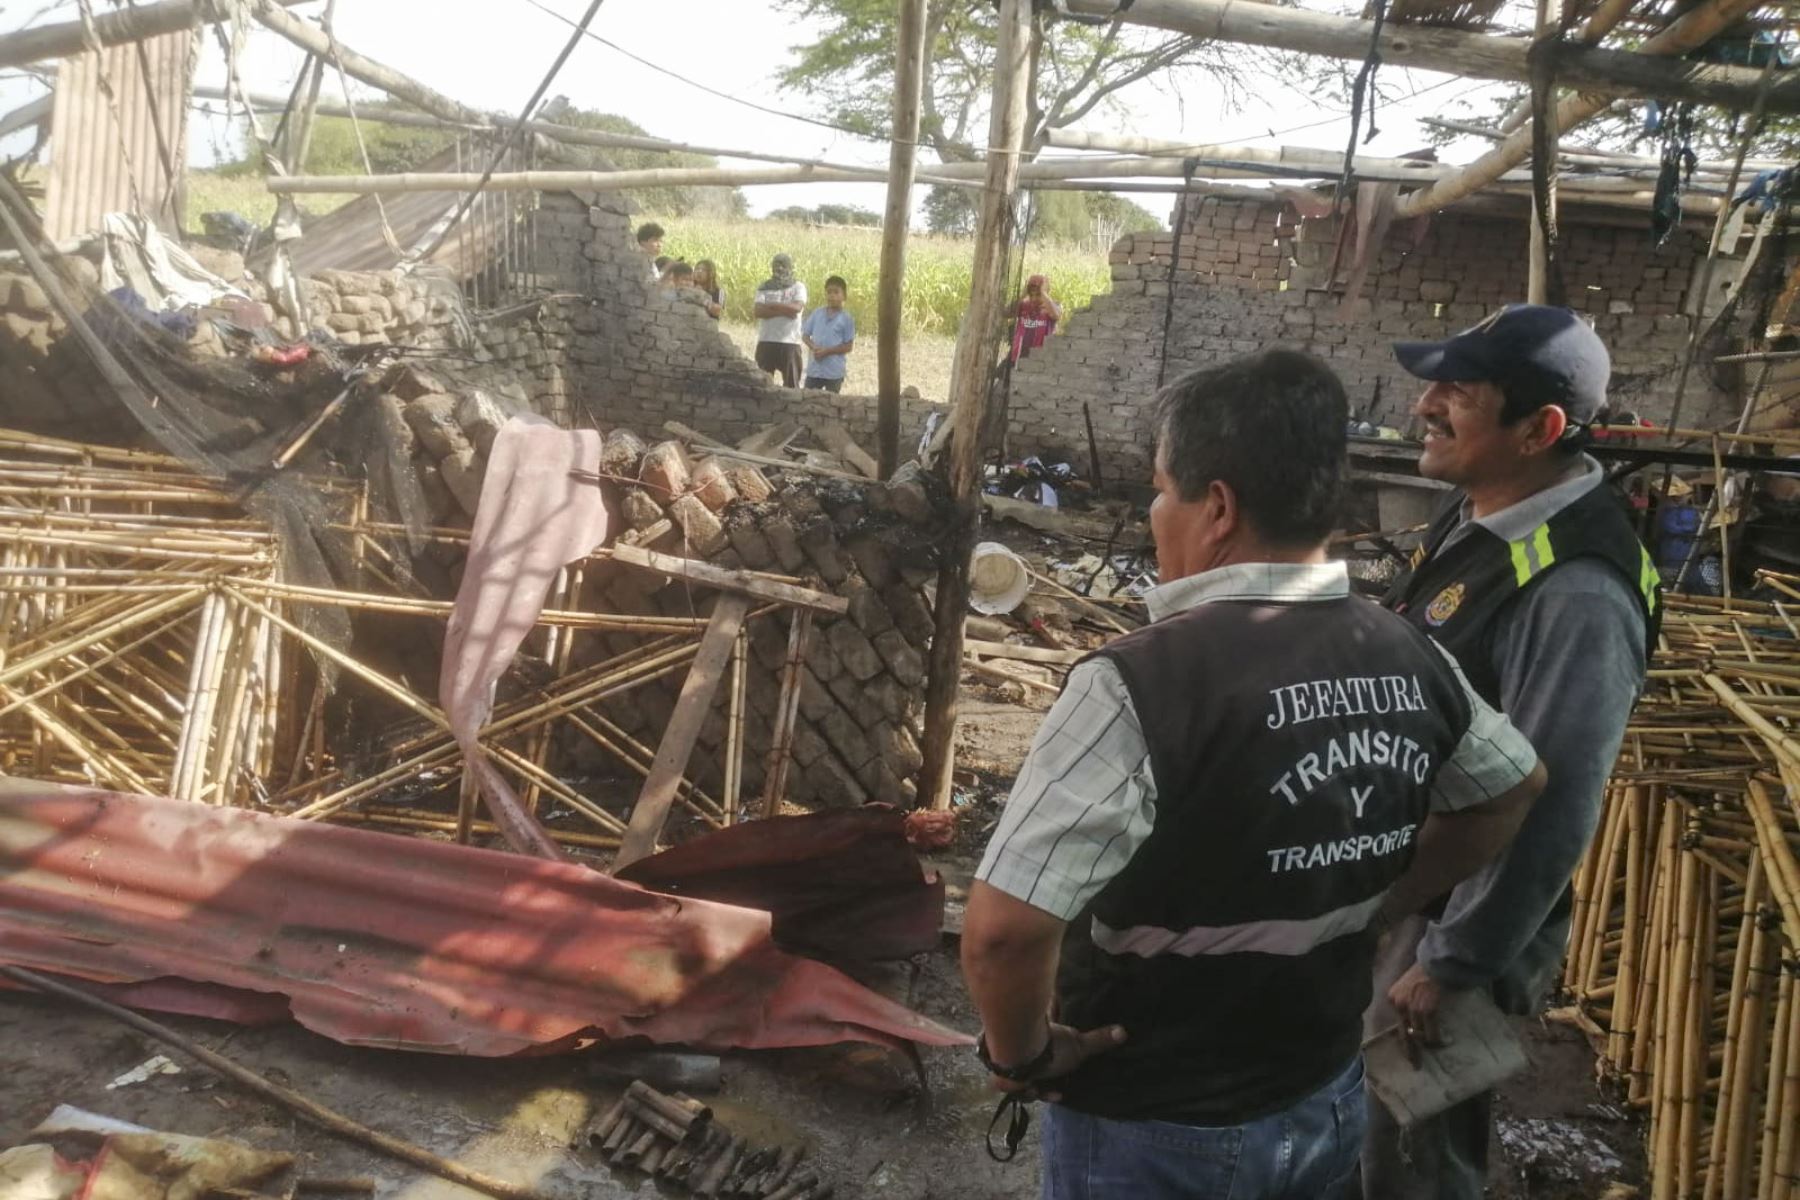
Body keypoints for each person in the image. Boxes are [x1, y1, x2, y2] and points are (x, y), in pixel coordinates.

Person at [961, 349, 1546, 1200]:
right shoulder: (1404, 648)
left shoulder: (1139, 683)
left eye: (1162, 490)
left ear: (1219, 508)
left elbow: (1003, 930)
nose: (1156, 511)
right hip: (1323, 1102)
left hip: (1155, 1129)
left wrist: (1023, 1055)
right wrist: (1371, 904)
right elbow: (1512, 788)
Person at [1365, 305, 1663, 1200]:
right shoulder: (1482, 513)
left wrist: (1454, 963)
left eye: (1458, 393)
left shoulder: (1577, 591)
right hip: (1416, 886)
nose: (1425, 406)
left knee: (1407, 1158)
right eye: (1434, 384)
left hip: (1451, 919)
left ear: (1540, 430)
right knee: (1357, 1132)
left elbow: (1557, 794)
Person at [752, 253, 807, 389]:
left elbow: (796, 308)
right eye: (777, 265)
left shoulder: (798, 287)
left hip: (790, 342)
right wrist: (784, 310)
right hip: (766, 341)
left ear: (790, 267)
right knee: (761, 385)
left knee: (791, 386)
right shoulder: (764, 286)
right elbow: (758, 311)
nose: (780, 268)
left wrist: (772, 305)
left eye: (783, 265)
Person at [801, 275, 855, 393]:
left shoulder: (846, 319)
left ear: (844, 296)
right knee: (808, 400)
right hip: (814, 369)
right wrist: (813, 346)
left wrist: (827, 351)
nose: (832, 296)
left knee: (832, 403)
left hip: (833, 372)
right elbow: (805, 335)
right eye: (829, 292)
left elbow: (848, 346)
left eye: (836, 292)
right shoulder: (817, 314)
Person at [1010, 274, 1062, 362]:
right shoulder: (1024, 305)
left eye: (1038, 295)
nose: (1034, 299)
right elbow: (1008, 313)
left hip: (1038, 360)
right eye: (1031, 295)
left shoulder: (1051, 307)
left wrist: (1043, 292)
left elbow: (1056, 314)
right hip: (1018, 357)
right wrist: (1023, 294)